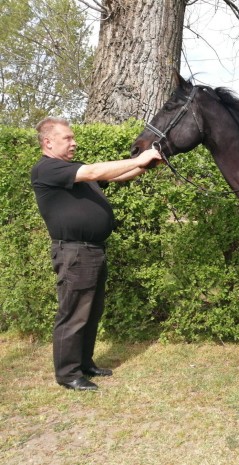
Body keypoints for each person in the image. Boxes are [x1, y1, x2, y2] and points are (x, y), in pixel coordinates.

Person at [31, 117, 161, 391]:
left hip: (91, 251)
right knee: (74, 313)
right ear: (48, 142)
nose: (74, 142)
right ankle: (68, 374)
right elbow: (93, 172)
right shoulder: (47, 169)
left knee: (91, 312)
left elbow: (114, 175)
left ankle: (84, 363)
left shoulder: (72, 170)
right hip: (74, 252)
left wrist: (145, 165)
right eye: (67, 138)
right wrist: (140, 158)